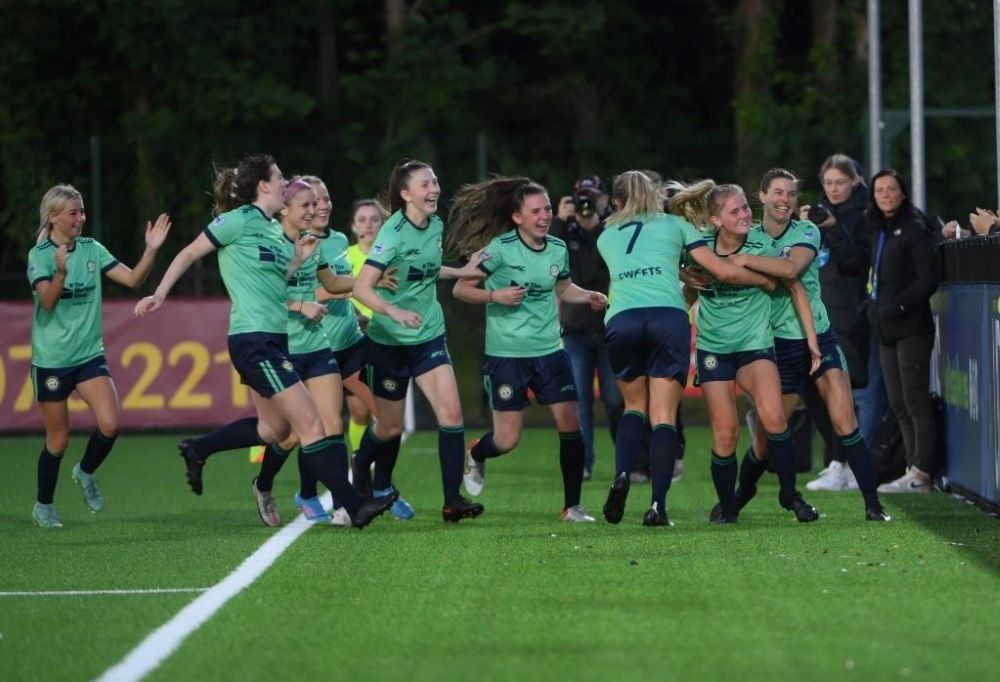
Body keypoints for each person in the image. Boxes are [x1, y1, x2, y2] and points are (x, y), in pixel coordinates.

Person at [135, 153, 397, 528]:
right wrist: (160, 293)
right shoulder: (235, 221)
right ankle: (355, 506)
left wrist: (296, 262)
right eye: (279, 177)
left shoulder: (275, 232)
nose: (284, 181)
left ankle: (199, 448)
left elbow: (277, 282)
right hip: (253, 340)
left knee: (275, 431)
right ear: (264, 186)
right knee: (312, 424)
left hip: (276, 340)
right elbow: (191, 251)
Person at [596, 171, 776, 526]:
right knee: (663, 415)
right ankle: (658, 507)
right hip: (667, 318)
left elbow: (641, 265)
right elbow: (719, 271)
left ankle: (621, 474)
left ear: (616, 203)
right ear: (653, 195)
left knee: (634, 406)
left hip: (622, 319)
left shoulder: (606, 236)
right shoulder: (674, 225)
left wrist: (678, 272)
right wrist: (765, 279)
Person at [724, 168, 889, 521]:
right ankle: (740, 495)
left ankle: (874, 506)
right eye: (779, 193)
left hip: (820, 336)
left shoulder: (807, 230)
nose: (785, 200)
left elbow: (791, 268)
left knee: (845, 420)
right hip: (776, 346)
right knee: (769, 436)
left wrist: (741, 260)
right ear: (763, 196)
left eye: (792, 194)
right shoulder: (746, 235)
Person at [448, 177, 605, 523]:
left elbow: (564, 288)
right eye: (535, 210)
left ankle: (572, 506)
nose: (544, 215)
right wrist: (494, 296)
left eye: (547, 208)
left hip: (550, 350)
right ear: (517, 217)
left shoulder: (557, 249)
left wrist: (589, 296)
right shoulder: (499, 249)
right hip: (507, 356)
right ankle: (476, 452)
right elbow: (461, 289)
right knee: (507, 440)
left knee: (571, 423)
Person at [672, 180, 821, 524]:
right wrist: (685, 278)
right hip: (714, 349)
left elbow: (794, 286)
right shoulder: (699, 246)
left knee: (774, 419)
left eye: (745, 208)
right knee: (726, 434)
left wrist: (811, 338)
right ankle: (728, 506)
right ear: (715, 220)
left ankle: (790, 495)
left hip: (755, 346)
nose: (744, 215)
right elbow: (668, 262)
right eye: (735, 210)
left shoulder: (761, 244)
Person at [350, 158, 489, 523]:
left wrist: (461, 270)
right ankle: (360, 465)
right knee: (390, 427)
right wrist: (391, 312)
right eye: (426, 184)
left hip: (428, 334)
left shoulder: (435, 225)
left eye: (436, 182)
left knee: (452, 416)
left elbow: (426, 269)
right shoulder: (392, 234)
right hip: (388, 342)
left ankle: (451, 501)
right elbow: (363, 287)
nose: (435, 189)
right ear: (406, 193)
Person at [28, 185, 171, 528]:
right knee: (58, 440)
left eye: (82, 212)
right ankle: (43, 506)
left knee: (111, 423)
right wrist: (61, 272)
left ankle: (86, 471)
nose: (81, 218)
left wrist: (150, 250)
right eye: (73, 213)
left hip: (89, 355)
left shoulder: (92, 248)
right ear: (54, 217)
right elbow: (47, 302)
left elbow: (135, 279)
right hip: (52, 360)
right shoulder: (41, 255)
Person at [297, 178, 412, 522]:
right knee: (320, 429)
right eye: (314, 200)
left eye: (327, 198)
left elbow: (347, 285)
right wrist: (358, 290)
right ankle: (316, 495)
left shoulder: (335, 241)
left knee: (389, 420)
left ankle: (379, 488)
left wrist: (366, 292)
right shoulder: (299, 244)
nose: (323, 205)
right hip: (320, 348)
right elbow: (309, 294)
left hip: (351, 341)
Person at [798, 155, 883, 491]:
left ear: (856, 182)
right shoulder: (818, 213)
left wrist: (833, 230)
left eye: (840, 182)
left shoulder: (865, 215)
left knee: (843, 388)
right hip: (815, 312)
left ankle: (842, 463)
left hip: (848, 314)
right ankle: (837, 459)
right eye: (828, 183)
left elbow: (857, 262)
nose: (833, 189)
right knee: (809, 386)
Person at [865, 170, 940, 493]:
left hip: (912, 328)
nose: (885, 195)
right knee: (897, 402)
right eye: (879, 190)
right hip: (885, 330)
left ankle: (923, 472)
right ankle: (911, 466)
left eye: (891, 189)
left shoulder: (914, 231)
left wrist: (897, 306)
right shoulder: (879, 230)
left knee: (915, 400)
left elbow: (927, 280)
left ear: (903, 193)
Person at [550, 175, 623, 480]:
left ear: (603, 200)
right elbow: (550, 262)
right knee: (579, 400)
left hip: (609, 327)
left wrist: (601, 223)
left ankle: (627, 462)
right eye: (580, 197)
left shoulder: (612, 231)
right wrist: (557, 222)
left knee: (617, 400)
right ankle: (583, 463)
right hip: (576, 330)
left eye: (591, 197)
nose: (585, 204)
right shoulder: (564, 232)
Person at [342, 198, 384, 455]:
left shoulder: (391, 256)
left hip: (388, 340)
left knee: (385, 411)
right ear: (353, 226)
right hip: (355, 339)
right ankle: (359, 465)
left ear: (383, 224)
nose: (368, 225)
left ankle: (379, 474)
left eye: (374, 219)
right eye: (362, 219)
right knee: (359, 411)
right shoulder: (344, 257)